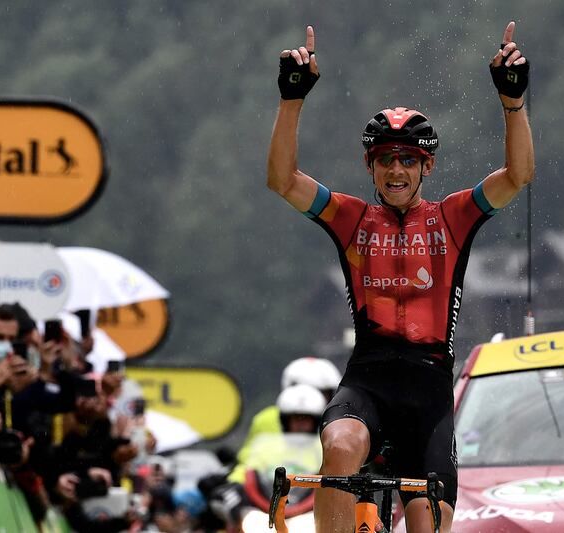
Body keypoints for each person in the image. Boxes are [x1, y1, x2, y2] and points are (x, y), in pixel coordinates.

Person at [267, 21, 533, 533]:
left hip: (428, 393)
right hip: (368, 379)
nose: (396, 170)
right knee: (340, 446)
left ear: (426, 166)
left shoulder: (453, 219)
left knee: (426, 525)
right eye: (386, 159)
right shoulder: (350, 218)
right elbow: (282, 180)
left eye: (408, 160)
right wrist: (291, 100)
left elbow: (518, 175)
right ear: (370, 166)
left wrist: (513, 102)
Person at [228, 356, 339, 483]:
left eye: (324, 393)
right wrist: (236, 484)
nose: (310, 399)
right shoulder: (266, 420)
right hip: (270, 488)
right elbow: (250, 461)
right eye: (296, 418)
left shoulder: (337, 422)